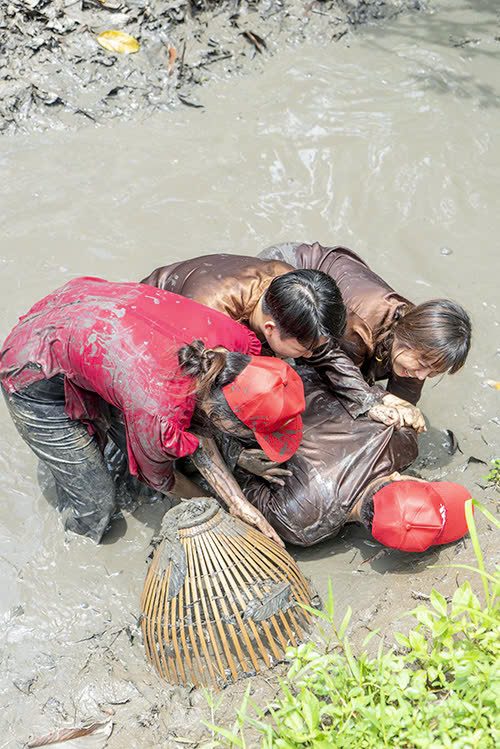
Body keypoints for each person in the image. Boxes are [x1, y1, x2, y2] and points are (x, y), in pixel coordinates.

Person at [0, 277, 306, 545]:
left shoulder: (233, 344)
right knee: (97, 504)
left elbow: (200, 423)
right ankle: (72, 550)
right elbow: (161, 478)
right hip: (31, 367)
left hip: (92, 316)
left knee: (130, 459)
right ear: (217, 416)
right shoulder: (158, 413)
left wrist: (238, 500)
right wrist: (219, 511)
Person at [199, 367, 470, 550]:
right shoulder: (300, 524)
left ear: (401, 477)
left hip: (280, 372)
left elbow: (365, 390)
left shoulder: (402, 439)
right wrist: (239, 457)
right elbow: (246, 483)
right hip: (222, 409)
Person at [142, 254, 423, 429]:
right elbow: (198, 392)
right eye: (306, 349)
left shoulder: (294, 287)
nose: (314, 353)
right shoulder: (212, 323)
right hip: (154, 325)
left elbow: (325, 352)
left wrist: (369, 401)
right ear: (269, 328)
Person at [258, 242, 472, 405]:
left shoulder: (422, 351)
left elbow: (404, 398)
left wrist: (402, 411)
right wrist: (374, 399)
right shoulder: (362, 320)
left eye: (435, 371)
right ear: (407, 336)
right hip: (289, 273)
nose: (423, 375)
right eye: (424, 365)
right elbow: (327, 362)